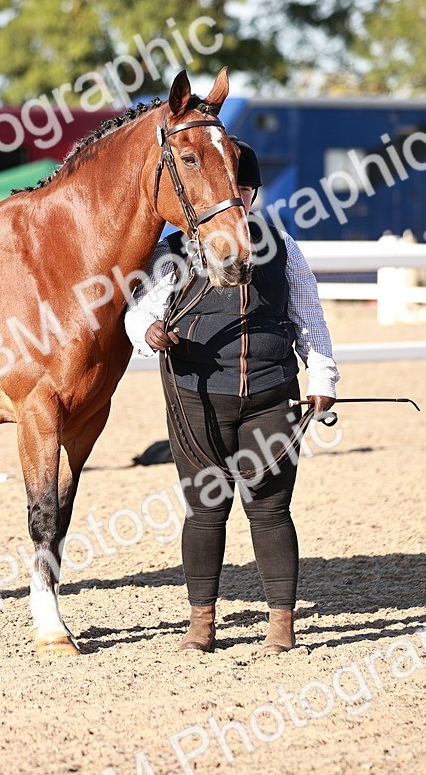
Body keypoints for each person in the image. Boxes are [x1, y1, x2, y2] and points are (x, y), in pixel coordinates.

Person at [124, 138, 339, 655]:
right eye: (228, 189)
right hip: (195, 396)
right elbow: (138, 310)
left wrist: (322, 378)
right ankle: (201, 625)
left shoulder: (283, 247)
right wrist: (148, 330)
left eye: (242, 189)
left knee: (269, 508)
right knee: (205, 509)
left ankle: (281, 626)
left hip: (271, 393)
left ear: (253, 193)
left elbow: (308, 315)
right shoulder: (173, 252)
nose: (234, 199)